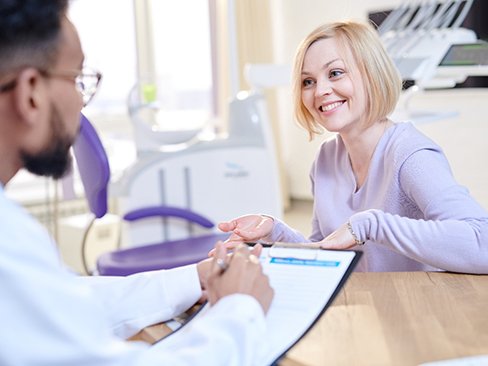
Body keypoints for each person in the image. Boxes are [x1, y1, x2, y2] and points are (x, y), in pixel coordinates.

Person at [0, 1, 273, 365]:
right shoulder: (9, 241)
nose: (82, 100)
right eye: (77, 79)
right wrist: (242, 309)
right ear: (31, 90)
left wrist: (195, 278)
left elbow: (64, 299)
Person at [217, 20, 488, 274]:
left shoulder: (411, 155)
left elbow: (482, 243)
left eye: (335, 73)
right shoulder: (326, 158)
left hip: (416, 310)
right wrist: (273, 232)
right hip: (361, 310)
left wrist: (369, 225)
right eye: (307, 81)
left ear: (372, 76)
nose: (320, 90)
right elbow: (324, 248)